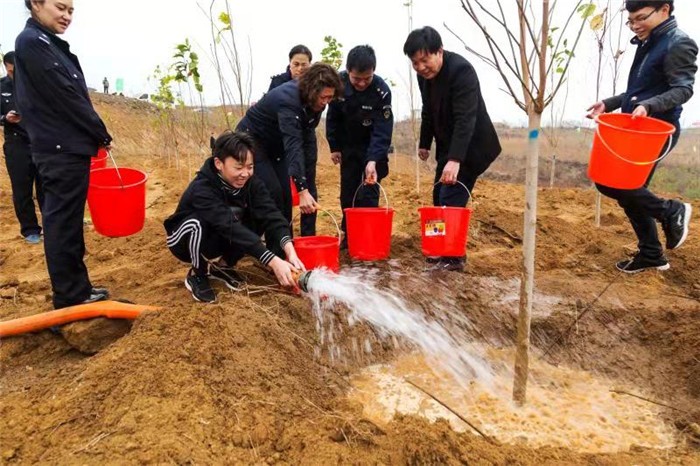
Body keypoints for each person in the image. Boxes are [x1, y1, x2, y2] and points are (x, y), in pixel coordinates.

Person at [14, 0, 113, 308]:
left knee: (68, 221)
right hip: (59, 147)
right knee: (62, 223)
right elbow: (67, 94)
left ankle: (77, 289)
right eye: (60, 7)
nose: (67, 16)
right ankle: (71, 296)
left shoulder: (46, 43)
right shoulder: (32, 41)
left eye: (71, 11)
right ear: (36, 4)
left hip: (66, 145)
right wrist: (100, 131)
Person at [587, 0, 697, 274]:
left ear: (664, 10)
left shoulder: (678, 43)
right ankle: (651, 253)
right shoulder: (650, 42)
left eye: (640, 18)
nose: (635, 25)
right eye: (631, 20)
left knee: (623, 186)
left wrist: (650, 106)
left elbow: (683, 89)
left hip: (656, 131)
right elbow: (642, 90)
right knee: (619, 187)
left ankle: (670, 211)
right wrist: (610, 103)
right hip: (635, 130)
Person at [164, 131, 305, 303]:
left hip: (220, 236)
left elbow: (271, 214)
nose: (245, 173)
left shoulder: (251, 183)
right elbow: (227, 226)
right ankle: (197, 274)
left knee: (256, 215)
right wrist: (273, 261)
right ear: (219, 163)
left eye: (250, 167)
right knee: (197, 223)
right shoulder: (202, 188)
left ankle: (223, 268)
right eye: (238, 168)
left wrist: (289, 250)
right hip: (185, 239)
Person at [403, 26, 502, 271]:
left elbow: (466, 118)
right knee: (438, 197)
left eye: (424, 60)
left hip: (472, 146)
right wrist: (425, 142)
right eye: (415, 63)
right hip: (451, 146)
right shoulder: (423, 77)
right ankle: (439, 248)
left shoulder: (462, 71)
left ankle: (453, 258)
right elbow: (427, 109)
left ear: (439, 51)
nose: (420, 67)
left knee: (451, 199)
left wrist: (456, 159)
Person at [236, 62, 343, 249]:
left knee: (285, 196)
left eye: (330, 98)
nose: (326, 102)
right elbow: (293, 146)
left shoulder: (315, 103)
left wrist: (308, 184)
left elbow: (307, 142)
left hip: (275, 146)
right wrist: (301, 190)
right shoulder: (288, 101)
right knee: (274, 193)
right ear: (312, 90)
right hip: (251, 141)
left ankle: (286, 245)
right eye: (323, 97)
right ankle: (275, 253)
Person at [326, 45, 393, 249]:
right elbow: (333, 117)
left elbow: (383, 129)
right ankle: (349, 235)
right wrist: (334, 146)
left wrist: (373, 159)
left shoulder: (381, 91)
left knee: (369, 192)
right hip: (349, 147)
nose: (362, 83)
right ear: (348, 70)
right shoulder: (338, 83)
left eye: (367, 78)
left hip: (373, 148)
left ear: (374, 71)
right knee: (348, 192)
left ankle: (366, 236)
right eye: (357, 79)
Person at [268, 44, 316, 235]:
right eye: (296, 64)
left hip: (306, 137)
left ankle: (308, 236)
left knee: (308, 184)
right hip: (282, 140)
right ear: (289, 64)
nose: (300, 69)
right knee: (283, 190)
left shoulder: (314, 85)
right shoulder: (278, 83)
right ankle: (284, 236)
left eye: (304, 65)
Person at [1, 51, 44, 244]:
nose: (15, 74)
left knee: (46, 186)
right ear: (6, 67)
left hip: (40, 143)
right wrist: (5, 118)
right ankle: (30, 230)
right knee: (22, 189)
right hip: (16, 143)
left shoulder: (35, 84)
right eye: (11, 71)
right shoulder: (1, 87)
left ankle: (52, 224)